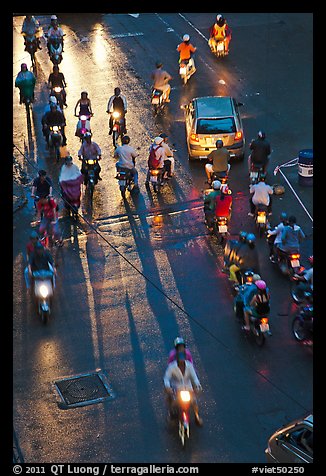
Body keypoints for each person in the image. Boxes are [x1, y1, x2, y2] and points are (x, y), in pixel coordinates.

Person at [163, 351, 202, 425]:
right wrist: (168, 387)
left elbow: (194, 377)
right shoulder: (172, 367)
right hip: (176, 387)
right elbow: (166, 378)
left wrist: (198, 385)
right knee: (173, 402)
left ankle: (197, 417)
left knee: (194, 402)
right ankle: (171, 413)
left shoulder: (189, 366)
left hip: (188, 387)